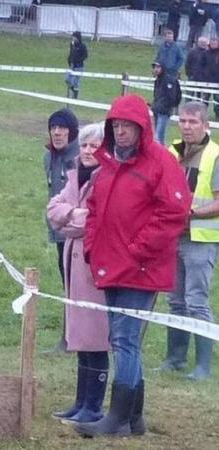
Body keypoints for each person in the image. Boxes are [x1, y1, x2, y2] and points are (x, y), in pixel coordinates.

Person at [75, 94, 191, 438]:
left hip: (141, 269)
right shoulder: (109, 163)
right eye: (116, 126)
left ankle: (118, 418)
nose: (121, 132)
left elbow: (174, 212)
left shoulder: (161, 163)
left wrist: (138, 251)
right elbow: (95, 209)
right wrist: (93, 248)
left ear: (143, 129)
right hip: (111, 265)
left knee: (125, 340)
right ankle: (133, 418)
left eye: (128, 126)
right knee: (123, 339)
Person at [47, 123, 110, 425]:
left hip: (95, 265)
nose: (87, 151)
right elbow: (53, 209)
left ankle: (94, 406)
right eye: (84, 145)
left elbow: (96, 220)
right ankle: (80, 402)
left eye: (94, 146)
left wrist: (69, 217)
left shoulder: (108, 179)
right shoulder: (74, 175)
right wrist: (73, 215)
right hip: (74, 260)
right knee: (81, 338)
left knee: (95, 338)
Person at [159, 101, 218, 380]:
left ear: (206, 126)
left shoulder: (215, 156)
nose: (186, 126)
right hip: (173, 237)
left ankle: (203, 365)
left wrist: (190, 214)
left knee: (197, 302)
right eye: (183, 121)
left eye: (193, 122)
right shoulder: (171, 153)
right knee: (175, 302)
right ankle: (175, 358)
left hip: (201, 239)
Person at [44, 108, 79, 354]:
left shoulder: (82, 158)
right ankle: (69, 337)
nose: (57, 132)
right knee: (67, 284)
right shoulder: (49, 157)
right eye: (53, 128)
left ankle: (74, 339)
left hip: (80, 234)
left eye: (62, 128)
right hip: (60, 233)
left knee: (77, 286)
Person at [151, 60, 181, 145]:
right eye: (155, 67)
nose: (156, 69)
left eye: (158, 67)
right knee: (158, 137)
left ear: (162, 68)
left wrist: (166, 106)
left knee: (158, 137)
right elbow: (156, 96)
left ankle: (161, 155)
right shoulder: (157, 81)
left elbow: (172, 97)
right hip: (157, 111)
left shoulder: (169, 80)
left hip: (164, 112)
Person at [65, 31, 88, 99]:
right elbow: (71, 53)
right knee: (67, 79)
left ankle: (75, 95)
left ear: (78, 38)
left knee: (75, 81)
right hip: (72, 66)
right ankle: (73, 90)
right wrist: (69, 61)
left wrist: (78, 60)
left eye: (74, 37)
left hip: (79, 67)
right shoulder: (72, 44)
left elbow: (85, 56)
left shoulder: (82, 46)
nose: (73, 38)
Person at [203, 37, 219, 117]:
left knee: (217, 99)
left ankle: (217, 115)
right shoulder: (205, 53)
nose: (213, 45)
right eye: (212, 43)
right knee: (205, 99)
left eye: (215, 43)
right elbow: (201, 65)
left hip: (217, 81)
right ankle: (204, 114)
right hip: (207, 81)